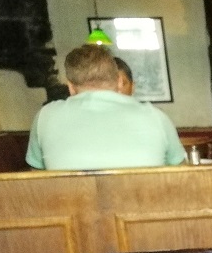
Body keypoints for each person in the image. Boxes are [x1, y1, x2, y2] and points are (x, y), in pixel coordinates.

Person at [26, 44, 185, 170]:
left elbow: (38, 176)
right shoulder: (155, 117)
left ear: (71, 87)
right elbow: (181, 172)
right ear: (118, 81)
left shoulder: (45, 117)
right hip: (139, 208)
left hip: (72, 209)